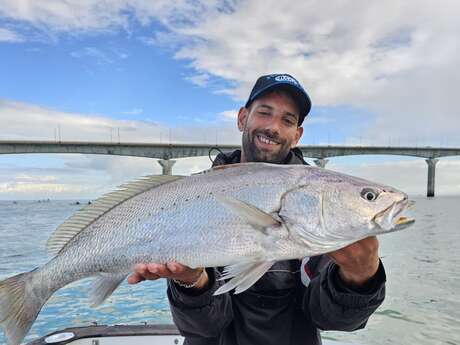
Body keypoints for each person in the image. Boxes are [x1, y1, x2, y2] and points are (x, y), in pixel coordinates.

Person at [128, 74, 386, 345]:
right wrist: (191, 282)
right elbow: (205, 327)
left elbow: (331, 320)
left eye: (287, 120)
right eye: (264, 113)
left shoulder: (318, 200)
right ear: (242, 118)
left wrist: (360, 280)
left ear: (297, 135)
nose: (274, 127)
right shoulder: (195, 195)